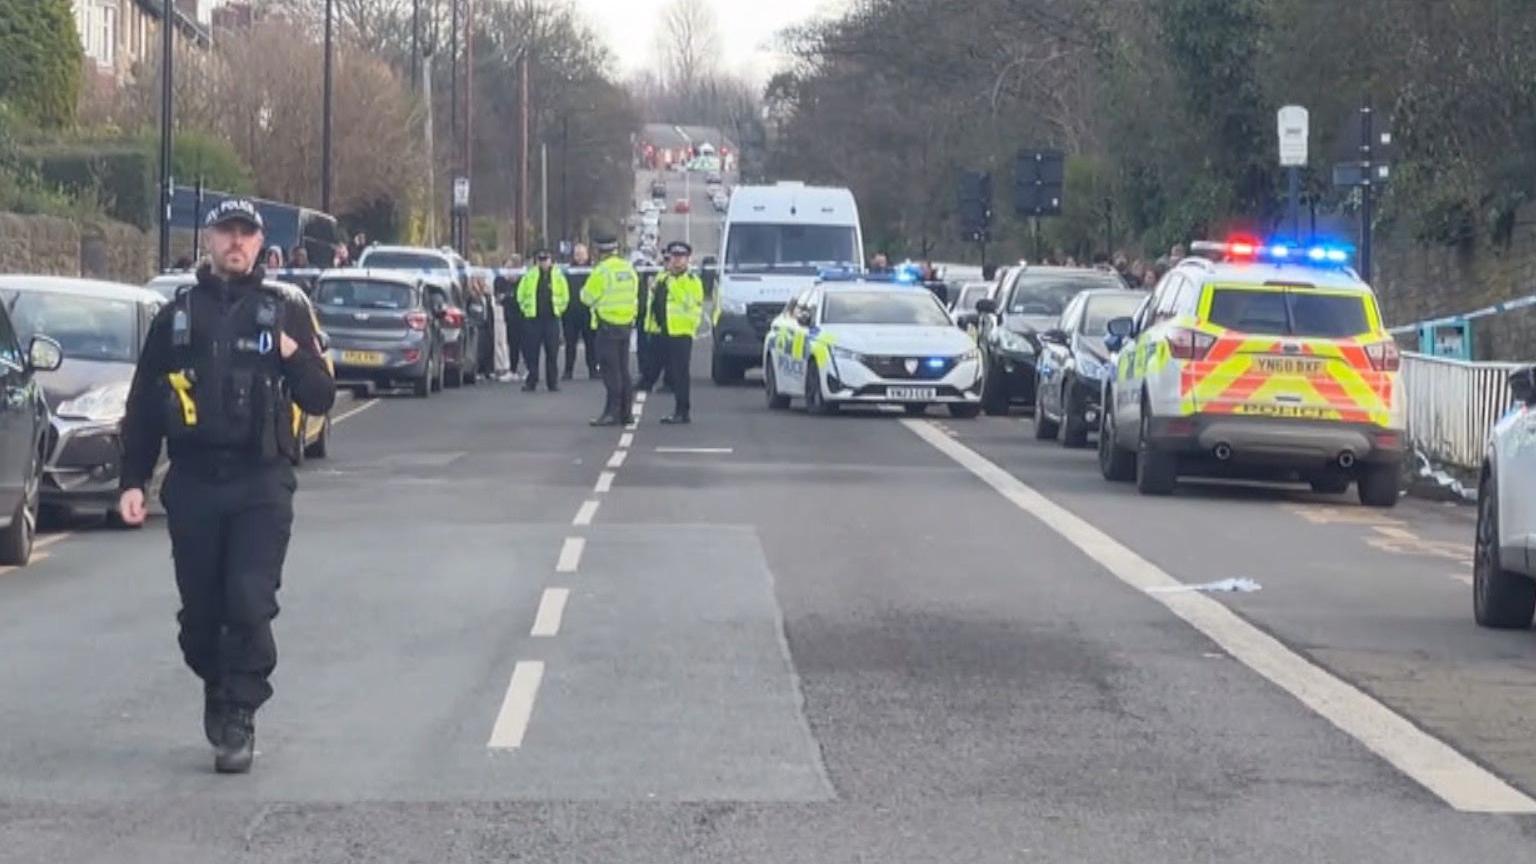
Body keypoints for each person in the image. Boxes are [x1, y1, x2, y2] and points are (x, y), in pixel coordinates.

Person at [117, 199, 336, 774]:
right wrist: (132, 479)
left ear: (261, 245)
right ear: (209, 241)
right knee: (200, 613)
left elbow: (320, 396)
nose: (236, 244)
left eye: (246, 235)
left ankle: (239, 713)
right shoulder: (177, 316)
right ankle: (217, 683)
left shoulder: (283, 311)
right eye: (226, 234)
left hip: (260, 482)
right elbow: (143, 403)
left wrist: (293, 358)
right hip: (192, 482)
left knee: (247, 600)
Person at [638, 241, 705, 424]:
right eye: (673, 257)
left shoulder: (692, 281)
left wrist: (672, 283)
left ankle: (682, 411)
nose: (676, 261)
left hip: (681, 333)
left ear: (687, 260)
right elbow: (655, 302)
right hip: (662, 331)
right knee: (650, 371)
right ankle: (626, 407)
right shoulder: (663, 278)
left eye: (680, 258)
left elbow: (687, 302)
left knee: (680, 374)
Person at [580, 234, 639, 427]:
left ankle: (611, 413)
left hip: (607, 326)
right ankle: (626, 412)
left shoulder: (601, 271)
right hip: (625, 325)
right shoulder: (628, 268)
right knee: (623, 370)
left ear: (599, 251)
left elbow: (587, 297)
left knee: (610, 371)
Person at [515, 249, 567, 392]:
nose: (543, 263)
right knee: (532, 353)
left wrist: (559, 309)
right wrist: (525, 310)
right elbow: (520, 294)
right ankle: (532, 381)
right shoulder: (529, 275)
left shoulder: (558, 276)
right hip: (533, 319)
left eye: (546, 260)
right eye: (541, 260)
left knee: (552, 352)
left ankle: (552, 382)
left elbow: (564, 295)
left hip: (551, 319)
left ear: (551, 261)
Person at [563, 243, 597, 379]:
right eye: (577, 254)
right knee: (570, 344)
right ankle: (568, 371)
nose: (580, 257)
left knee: (591, 344)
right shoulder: (567, 271)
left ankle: (593, 370)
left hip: (588, 312)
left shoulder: (594, 271)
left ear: (587, 255)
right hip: (570, 313)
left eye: (582, 254)